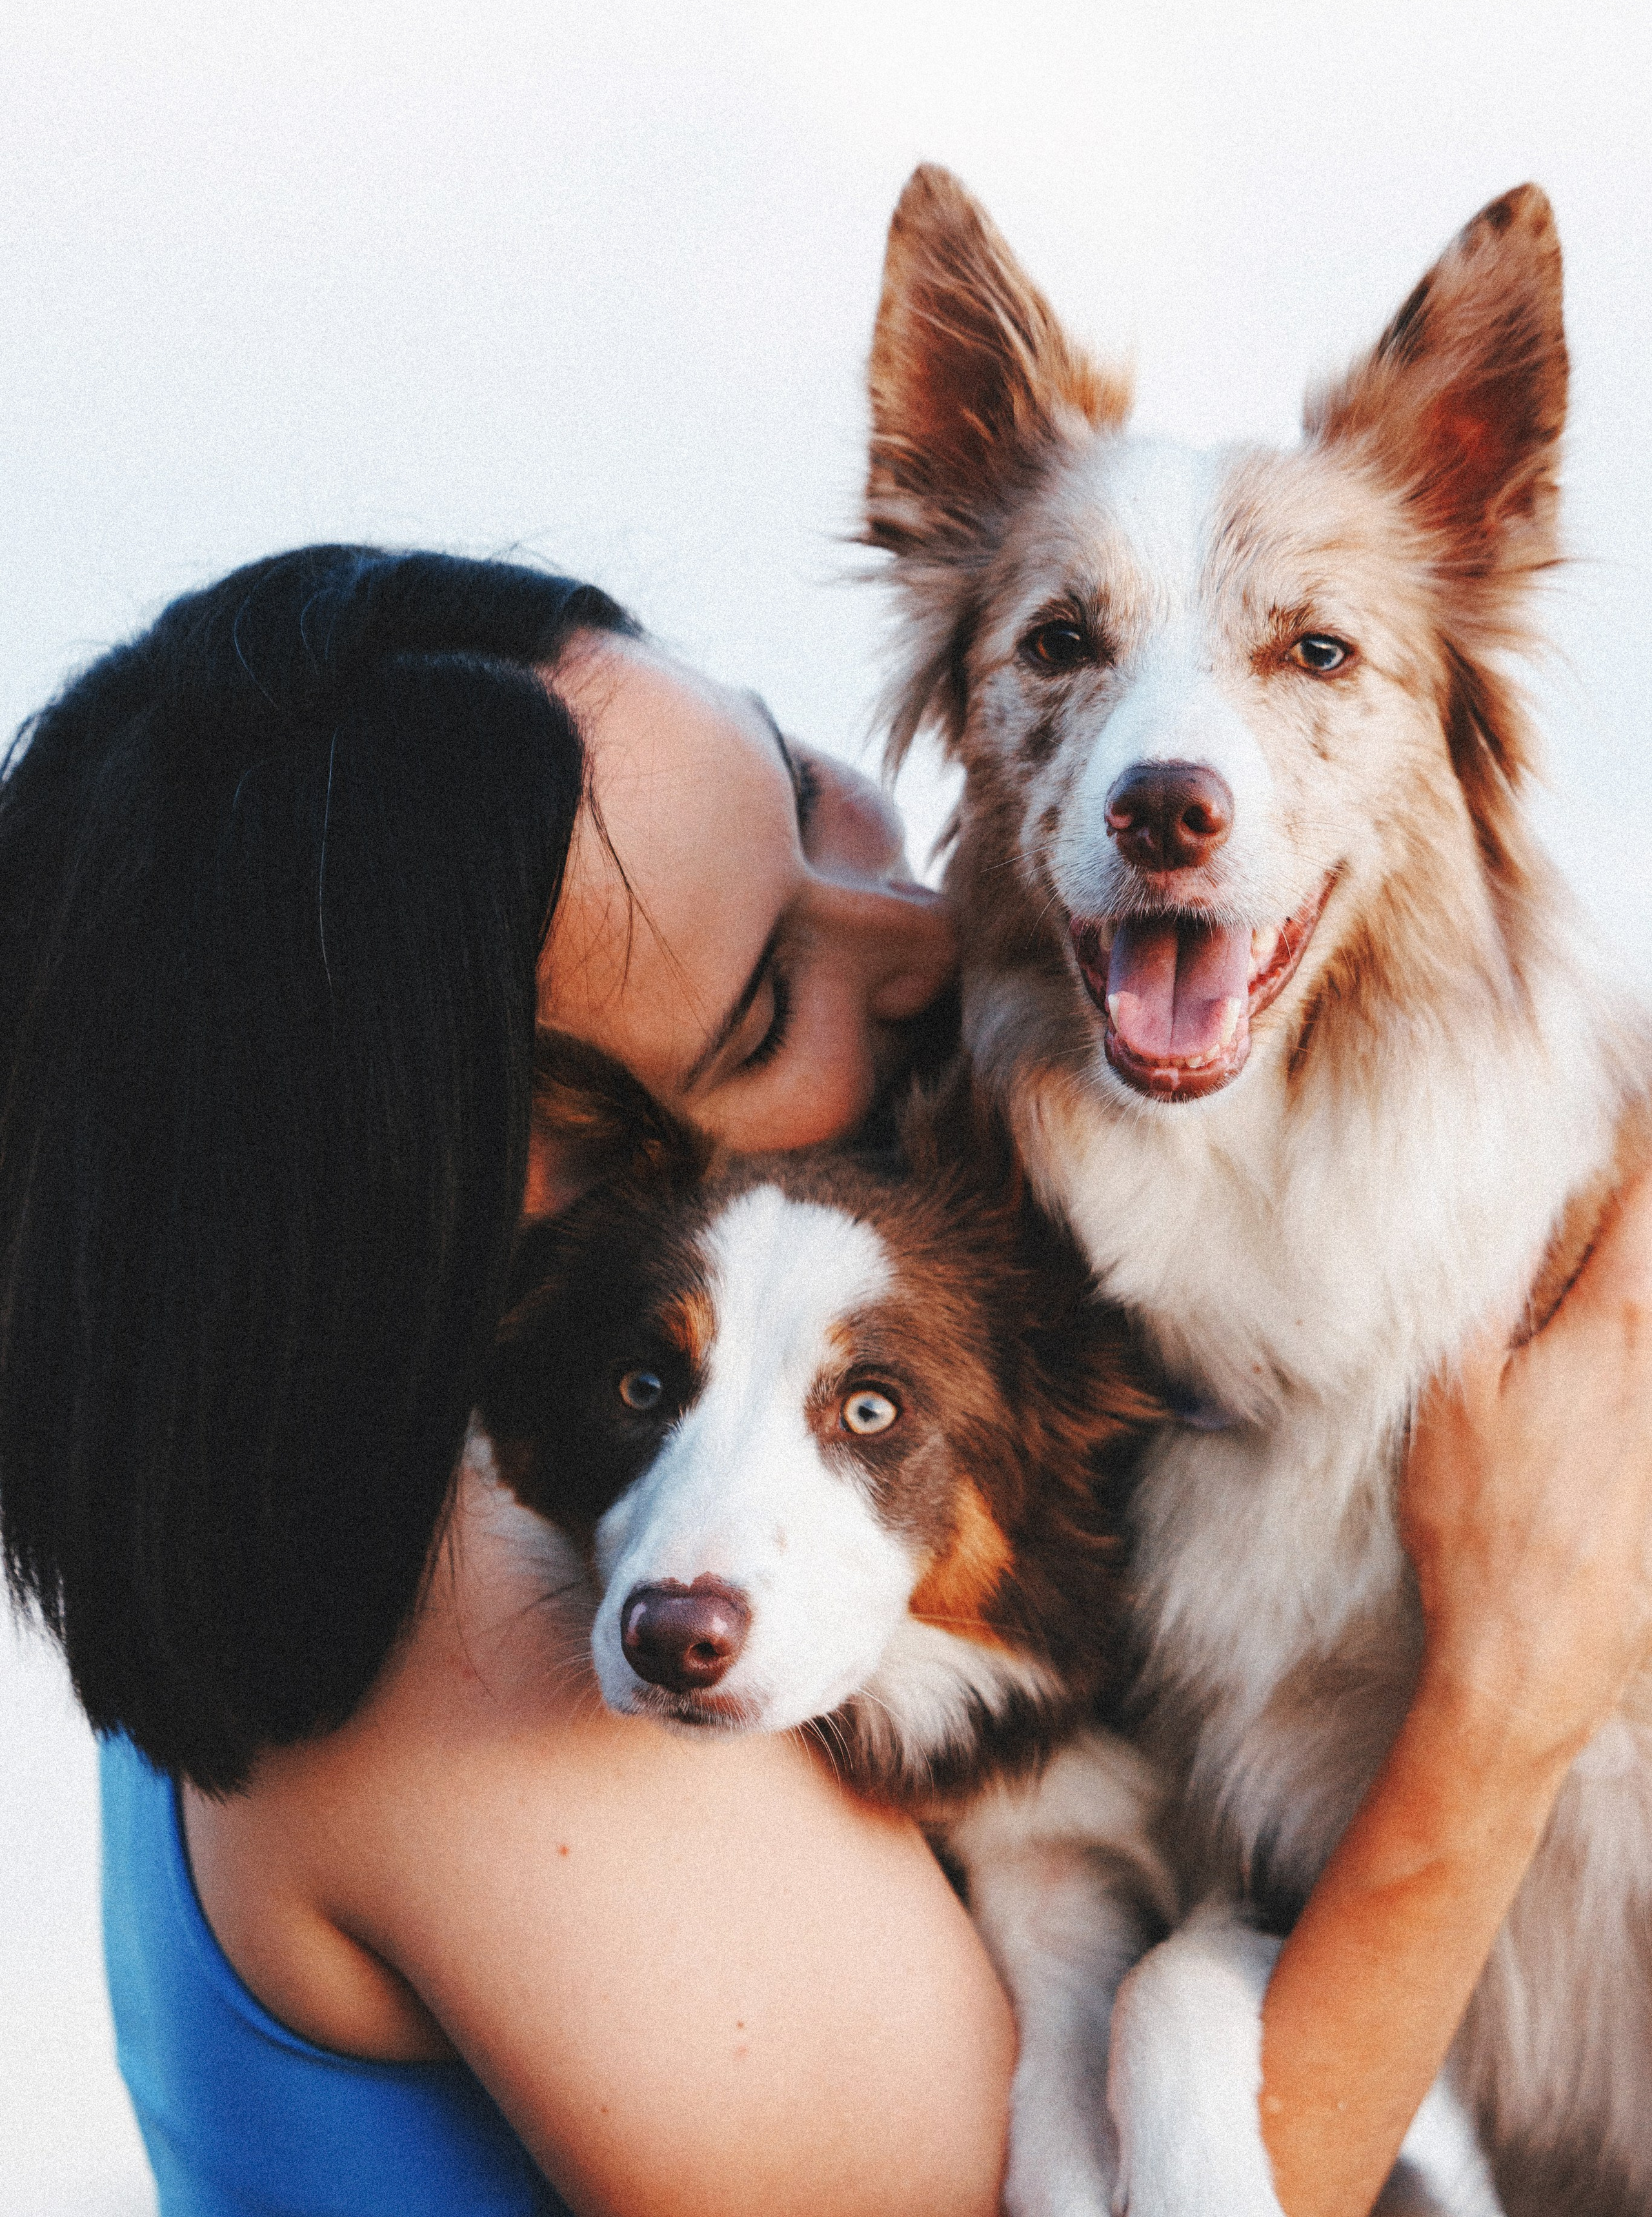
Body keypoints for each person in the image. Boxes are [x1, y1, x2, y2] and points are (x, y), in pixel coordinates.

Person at [1, 545, 1649, 2217]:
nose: (926, 928)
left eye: (801, 786)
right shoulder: (484, 1645)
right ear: (524, 1196)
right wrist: (1501, 1703)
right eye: (770, 1004)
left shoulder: (362, 1515)